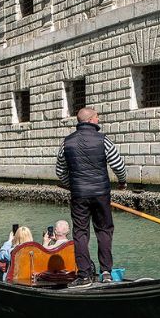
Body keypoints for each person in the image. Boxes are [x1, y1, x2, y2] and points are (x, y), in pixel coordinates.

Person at [55, 107, 127, 288]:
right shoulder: (103, 140)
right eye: (97, 117)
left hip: (79, 194)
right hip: (101, 193)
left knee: (80, 233)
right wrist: (122, 182)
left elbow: (60, 171)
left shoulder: (67, 142)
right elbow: (118, 164)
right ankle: (106, 272)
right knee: (104, 230)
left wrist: (71, 185)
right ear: (91, 120)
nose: (98, 119)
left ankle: (85, 275)